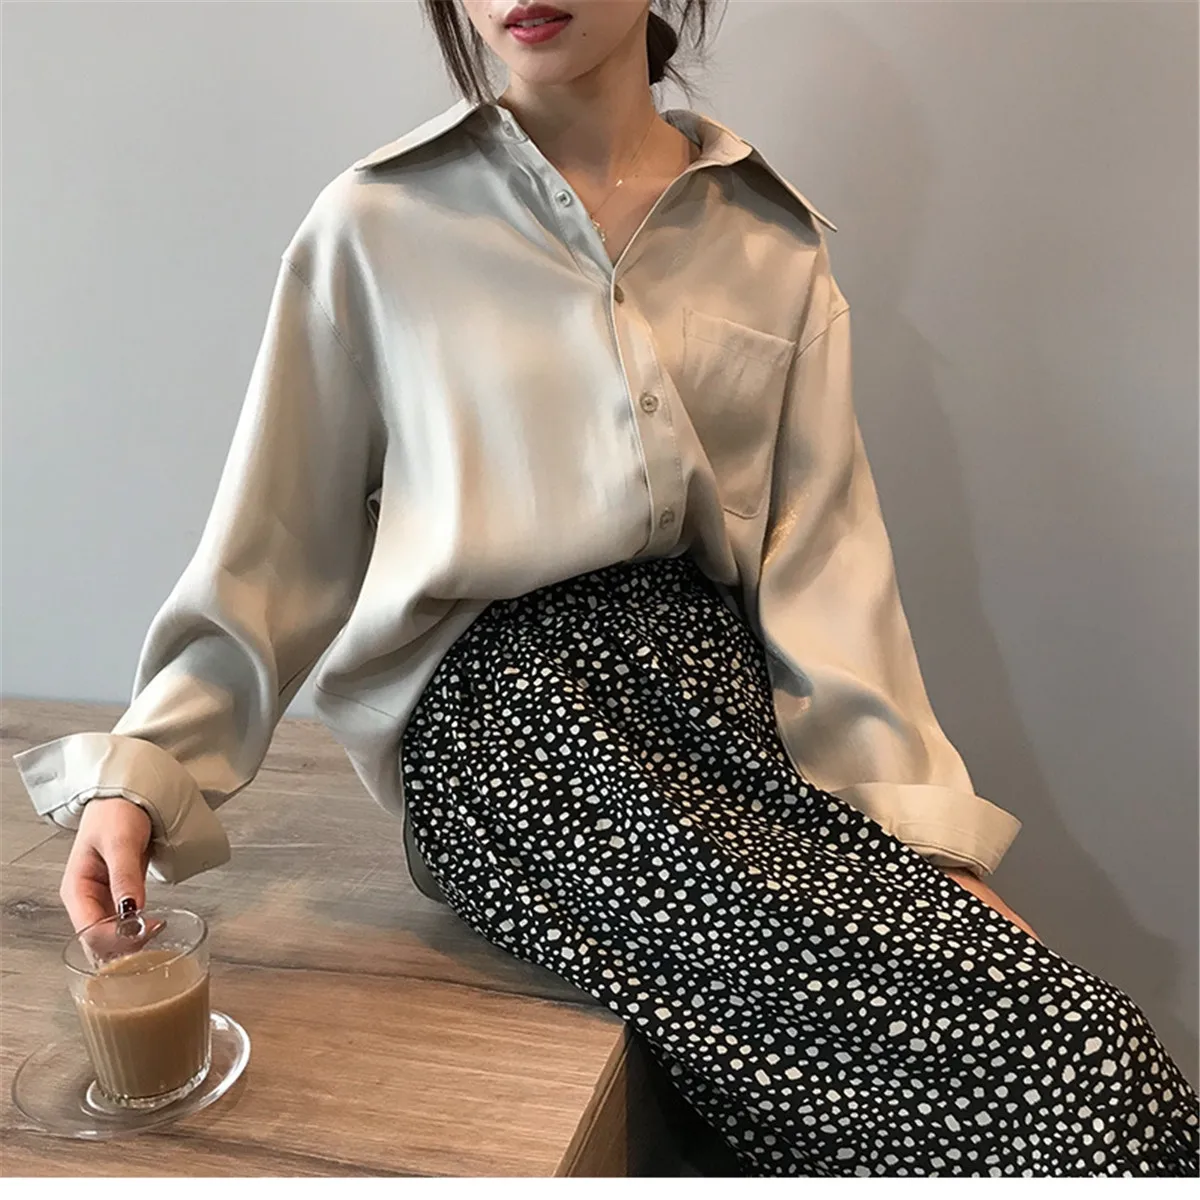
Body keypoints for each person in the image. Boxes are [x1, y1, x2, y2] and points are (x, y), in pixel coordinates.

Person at [15, 0, 1198, 1177]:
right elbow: (275, 544)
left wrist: (926, 842)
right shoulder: (375, 226)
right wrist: (147, 772)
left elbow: (826, 566)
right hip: (512, 725)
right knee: (1053, 1059)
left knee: (1068, 1033)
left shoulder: (774, 241)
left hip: (725, 712)